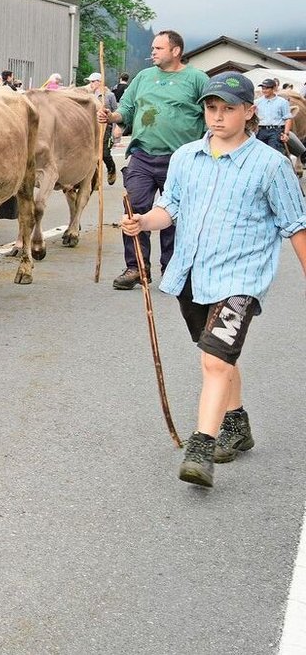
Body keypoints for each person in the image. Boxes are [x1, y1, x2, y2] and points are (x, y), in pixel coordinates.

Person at [120, 71, 306, 489]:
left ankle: (201, 448)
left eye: (228, 109)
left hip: (240, 279)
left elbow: (296, 226)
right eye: (211, 108)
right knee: (218, 356)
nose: (218, 117)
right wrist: (142, 222)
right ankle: (237, 424)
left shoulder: (271, 165)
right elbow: (169, 210)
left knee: (213, 360)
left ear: (249, 112)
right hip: (192, 274)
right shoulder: (186, 157)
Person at [97, 30, 210, 290]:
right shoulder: (144, 78)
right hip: (142, 155)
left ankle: (172, 268)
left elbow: (210, 113)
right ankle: (136, 267)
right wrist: (112, 117)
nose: (153, 52)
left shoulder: (196, 79)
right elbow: (126, 109)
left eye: (159, 48)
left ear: (176, 51)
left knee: (173, 214)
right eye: (153, 48)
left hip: (180, 160)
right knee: (134, 210)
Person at [86, 72, 120, 184]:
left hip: (106, 128)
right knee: (93, 155)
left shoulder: (109, 95)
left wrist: (116, 128)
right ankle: (95, 179)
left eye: (93, 81)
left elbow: (116, 112)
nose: (91, 84)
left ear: (100, 82)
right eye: (90, 82)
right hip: (92, 128)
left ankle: (111, 169)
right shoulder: (89, 96)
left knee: (105, 153)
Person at [253, 78, 291, 155]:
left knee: (275, 154)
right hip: (260, 131)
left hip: (275, 131)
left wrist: (286, 134)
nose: (264, 90)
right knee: (259, 154)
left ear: (273, 88)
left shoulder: (282, 102)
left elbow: (287, 119)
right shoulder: (257, 102)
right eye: (263, 88)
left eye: (267, 88)